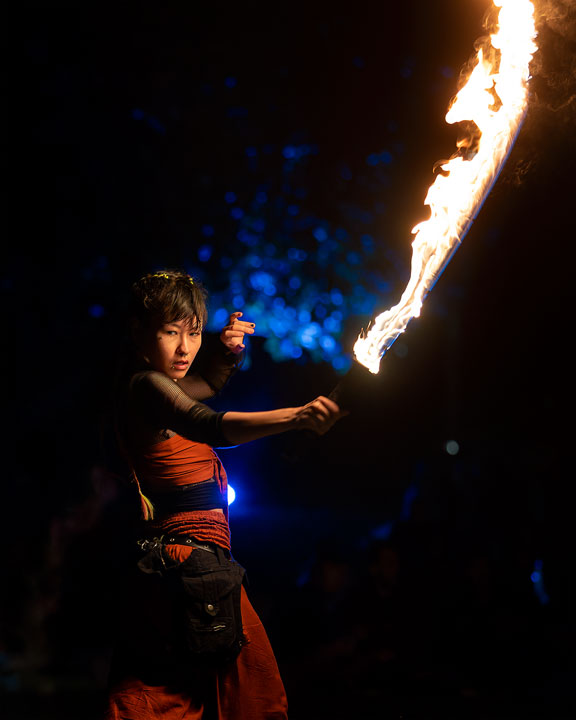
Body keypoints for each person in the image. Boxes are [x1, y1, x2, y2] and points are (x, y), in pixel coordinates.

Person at [104, 269, 345, 720]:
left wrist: (225, 349)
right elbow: (207, 423)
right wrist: (295, 417)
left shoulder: (152, 386)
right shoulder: (144, 385)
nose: (184, 348)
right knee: (254, 699)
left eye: (193, 333)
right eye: (170, 332)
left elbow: (207, 385)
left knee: (170, 701)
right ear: (139, 331)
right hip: (188, 564)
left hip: (181, 565)